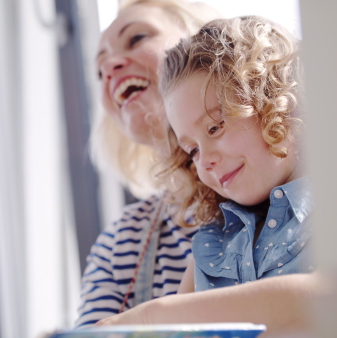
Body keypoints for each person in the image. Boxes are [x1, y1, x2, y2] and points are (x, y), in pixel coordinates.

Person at [95, 16, 318, 336]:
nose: (206, 161)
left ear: (275, 97)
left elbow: (325, 296)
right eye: (193, 151)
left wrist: (151, 316)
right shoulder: (212, 241)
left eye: (215, 127)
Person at [75, 0, 222, 328]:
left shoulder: (292, 194)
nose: (110, 67)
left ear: (205, 41)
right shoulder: (121, 244)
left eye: (137, 38)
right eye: (99, 70)